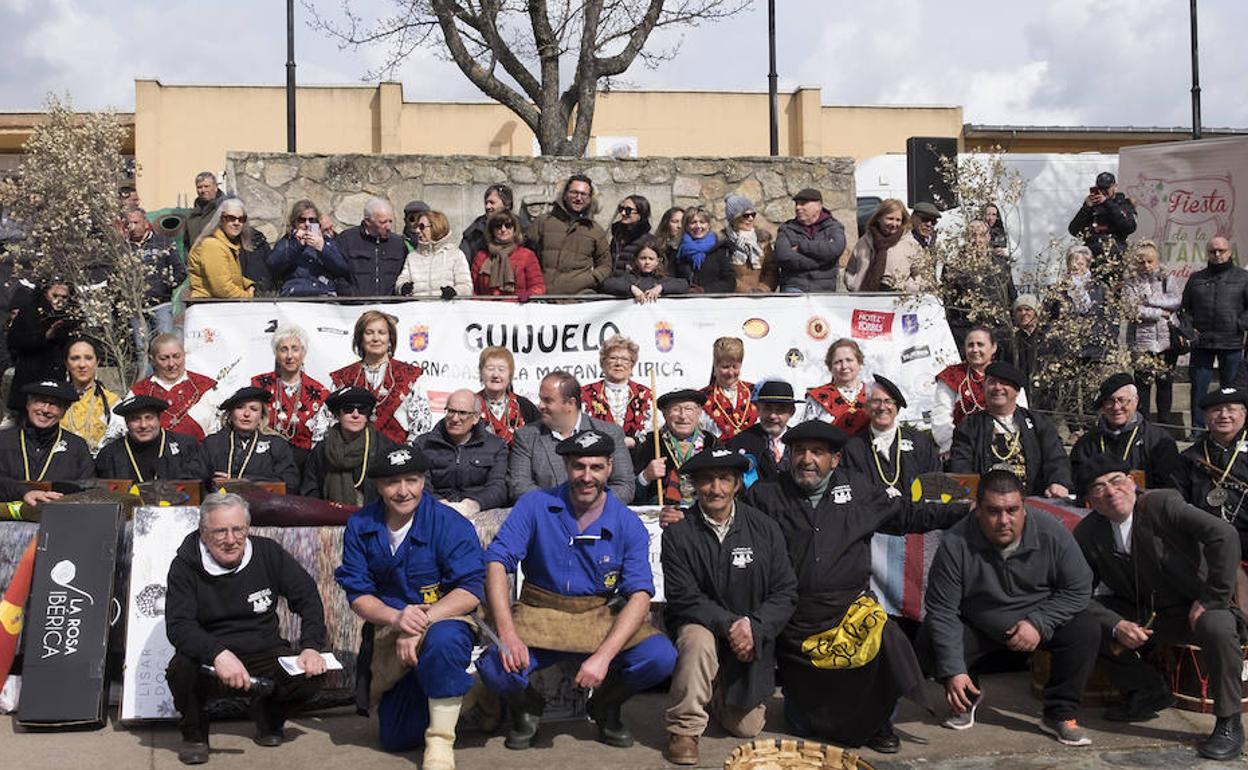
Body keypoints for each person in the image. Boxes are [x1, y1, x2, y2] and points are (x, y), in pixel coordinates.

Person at [743, 420, 968, 752]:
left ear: (835, 460)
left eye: (818, 452)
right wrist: (686, 519)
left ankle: (879, 723)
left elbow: (908, 514)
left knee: (889, 638)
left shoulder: (861, 490)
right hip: (794, 619)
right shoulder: (765, 495)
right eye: (800, 451)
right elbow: (732, 524)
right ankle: (817, 716)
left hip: (851, 609)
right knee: (805, 722)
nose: (807, 459)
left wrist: (967, 512)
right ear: (789, 455)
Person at [479, 430, 677, 750]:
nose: (587, 476)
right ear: (566, 466)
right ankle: (527, 708)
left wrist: (603, 657)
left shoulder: (628, 523)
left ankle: (606, 706)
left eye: (596, 467)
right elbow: (498, 562)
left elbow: (640, 594)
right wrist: (508, 634)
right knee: (494, 665)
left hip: (597, 614)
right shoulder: (534, 504)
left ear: (610, 467)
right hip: (538, 612)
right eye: (578, 466)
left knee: (660, 656)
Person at [1075, 458, 1245, 759]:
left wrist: (1212, 597)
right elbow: (1077, 593)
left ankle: (1229, 722)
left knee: (1216, 626)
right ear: (1090, 499)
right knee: (1082, 620)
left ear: (1132, 482)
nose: (1111, 492)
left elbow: (1225, 535)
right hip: (1147, 613)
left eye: (1116, 481)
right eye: (1098, 488)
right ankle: (1147, 690)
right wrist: (1116, 624)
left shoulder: (1163, 503)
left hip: (1198, 605)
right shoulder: (1088, 532)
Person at [920, 470, 1099, 746]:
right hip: (979, 626)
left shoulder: (1052, 531)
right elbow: (943, 610)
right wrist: (953, 669)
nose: (1004, 520)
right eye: (993, 511)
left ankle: (1059, 713)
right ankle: (967, 697)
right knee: (929, 637)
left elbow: (1078, 588)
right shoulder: (955, 543)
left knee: (1085, 627)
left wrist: (1039, 622)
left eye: (1012, 510)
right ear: (977, 509)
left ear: (1024, 507)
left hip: (1036, 623)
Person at [334, 445, 485, 764]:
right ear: (377, 485)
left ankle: (440, 742)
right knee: (395, 737)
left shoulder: (449, 523)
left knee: (444, 642)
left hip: (447, 619)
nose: (404, 491)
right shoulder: (361, 525)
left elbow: (471, 589)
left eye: (412, 480)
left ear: (423, 481)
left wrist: (421, 623)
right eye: (393, 482)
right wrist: (397, 618)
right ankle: (468, 692)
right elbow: (358, 594)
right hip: (390, 628)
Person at [165, 492, 326, 765]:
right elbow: (179, 626)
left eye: (238, 529)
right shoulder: (184, 566)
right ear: (203, 533)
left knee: (313, 671)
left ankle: (268, 715)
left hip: (263, 648)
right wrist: (218, 653)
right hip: (211, 657)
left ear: (248, 528)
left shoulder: (268, 552)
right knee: (181, 669)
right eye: (220, 531)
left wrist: (311, 646)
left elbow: (308, 597)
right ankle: (194, 734)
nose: (231, 540)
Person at [660, 448, 798, 765]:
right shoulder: (679, 533)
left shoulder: (765, 528)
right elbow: (684, 597)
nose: (716, 489)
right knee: (697, 640)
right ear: (695, 485)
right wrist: (732, 625)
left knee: (746, 729)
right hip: (704, 625)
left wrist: (755, 628)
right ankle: (684, 729)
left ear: (737, 484)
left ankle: (716, 688)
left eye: (724, 479)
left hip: (749, 634)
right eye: (707, 480)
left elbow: (785, 590)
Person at [508, 371, 634, 503]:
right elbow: (519, 486)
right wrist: (560, 505)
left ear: (570, 403)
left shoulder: (610, 433)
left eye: (548, 400)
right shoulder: (526, 436)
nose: (540, 406)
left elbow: (624, 487)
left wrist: (589, 504)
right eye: (541, 399)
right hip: (548, 517)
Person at [949, 362, 1071, 498]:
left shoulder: (1038, 423)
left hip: (1033, 500)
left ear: (1017, 390)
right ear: (984, 386)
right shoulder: (969, 426)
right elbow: (960, 465)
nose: (997, 387)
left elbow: (1055, 457)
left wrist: (1058, 482)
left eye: (1004, 383)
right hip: (986, 504)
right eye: (992, 382)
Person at [330, 310, 432, 445]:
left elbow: (421, 426)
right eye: (369, 333)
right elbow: (330, 422)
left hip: (396, 457)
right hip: (351, 458)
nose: (376, 338)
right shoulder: (343, 378)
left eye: (381, 333)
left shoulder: (410, 376)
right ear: (360, 339)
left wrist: (405, 454)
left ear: (390, 339)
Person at [1069, 373, 1181, 493]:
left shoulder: (1158, 440)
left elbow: (1169, 489)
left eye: (1122, 400)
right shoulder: (1087, 442)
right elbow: (1077, 482)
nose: (1116, 407)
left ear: (1136, 401)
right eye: (1110, 401)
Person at [1181, 237, 1248, 431]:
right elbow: (1185, 309)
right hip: (1201, 342)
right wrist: (1188, 329)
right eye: (1213, 251)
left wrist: (1239, 324)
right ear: (1207, 254)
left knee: (1231, 392)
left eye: (1221, 251)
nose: (1217, 255)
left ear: (1229, 252)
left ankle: (1234, 431)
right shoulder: (1196, 278)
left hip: (1231, 342)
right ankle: (1198, 430)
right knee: (1199, 389)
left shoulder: (1243, 277)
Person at [841, 375, 940, 499]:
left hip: (916, 515)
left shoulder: (920, 442)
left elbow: (935, 487)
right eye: (876, 401)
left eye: (888, 401)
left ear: (897, 408)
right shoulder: (852, 448)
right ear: (866, 407)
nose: (882, 407)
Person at [412, 388, 509, 515]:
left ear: (475, 417)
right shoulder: (423, 444)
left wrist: (472, 505)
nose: (455, 418)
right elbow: (419, 484)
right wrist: (440, 504)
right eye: (451, 411)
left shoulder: (496, 446)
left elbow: (498, 488)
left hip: (479, 512)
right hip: (434, 510)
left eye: (462, 413)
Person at [250, 325, 330, 469]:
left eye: (295, 349)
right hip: (264, 462)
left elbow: (320, 441)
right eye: (283, 349)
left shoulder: (319, 392)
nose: (289, 356)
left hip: (305, 465)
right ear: (276, 353)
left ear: (304, 353)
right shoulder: (259, 386)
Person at [301, 387, 396, 506]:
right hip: (329, 517)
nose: (356, 415)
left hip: (374, 517)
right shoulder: (323, 449)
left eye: (362, 410)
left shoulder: (384, 447)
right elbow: (310, 489)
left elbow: (394, 488)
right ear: (337, 414)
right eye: (348, 409)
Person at [1123, 240, 1181, 423]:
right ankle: (1143, 425)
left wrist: (1149, 300)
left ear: (1157, 261)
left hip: (1166, 341)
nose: (1146, 266)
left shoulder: (1166, 278)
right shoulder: (1130, 283)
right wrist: (1159, 313)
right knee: (1142, 386)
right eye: (1141, 262)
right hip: (1141, 342)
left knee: (1165, 385)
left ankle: (1164, 425)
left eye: (1150, 261)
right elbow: (1132, 310)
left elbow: (1176, 301)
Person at [1176, 387, 1248, 535]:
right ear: (1205, 417)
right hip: (1206, 539)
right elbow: (1179, 501)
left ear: (1244, 415)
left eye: (1230, 410)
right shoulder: (1190, 457)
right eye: (1216, 410)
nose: (1224, 415)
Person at [632, 389, 717, 511]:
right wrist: (646, 476)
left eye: (689, 409)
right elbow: (630, 493)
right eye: (675, 409)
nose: (682, 416)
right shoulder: (650, 444)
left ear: (699, 412)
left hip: (705, 513)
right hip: (663, 515)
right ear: (664, 414)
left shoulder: (711, 443)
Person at [201, 387, 300, 491]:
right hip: (219, 504)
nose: (246, 414)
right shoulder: (212, 443)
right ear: (231, 413)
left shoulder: (277, 445)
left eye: (253, 409)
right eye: (240, 407)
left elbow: (290, 482)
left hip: (263, 504)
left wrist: (245, 482)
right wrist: (210, 481)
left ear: (261, 415)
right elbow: (196, 480)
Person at [527, 174, 611, 295]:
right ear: (565, 195)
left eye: (583, 194)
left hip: (579, 300)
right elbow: (527, 255)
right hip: (544, 299)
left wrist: (591, 279)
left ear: (589, 199)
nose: (578, 198)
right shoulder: (543, 222)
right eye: (574, 192)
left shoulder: (595, 230)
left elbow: (606, 265)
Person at [95, 395, 209, 482]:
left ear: (159, 420)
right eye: (135, 419)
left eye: (149, 418)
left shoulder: (187, 447)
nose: (143, 425)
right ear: (127, 423)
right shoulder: (109, 455)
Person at [128, 334, 219, 442]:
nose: (171, 364)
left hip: (200, 455)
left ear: (184, 355)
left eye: (176, 356)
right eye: (164, 358)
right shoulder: (139, 391)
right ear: (152, 360)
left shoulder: (205, 386)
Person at [0, 381, 93, 483]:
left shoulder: (76, 447)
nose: (45, 409)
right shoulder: (4, 440)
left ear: (64, 411)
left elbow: (87, 488)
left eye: (54, 404)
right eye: (40, 401)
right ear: (28, 405)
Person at [6, 278, 75, 412]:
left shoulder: (70, 316)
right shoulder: (30, 312)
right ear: (45, 293)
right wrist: (45, 337)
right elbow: (14, 342)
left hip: (57, 381)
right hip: (31, 378)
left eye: (64, 297)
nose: (59, 300)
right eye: (55, 296)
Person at [933, 326, 1004, 456]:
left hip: (1001, 447)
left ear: (993, 347)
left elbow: (1017, 412)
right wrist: (956, 445)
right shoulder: (952, 376)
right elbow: (941, 417)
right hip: (961, 449)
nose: (975, 349)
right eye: (970, 345)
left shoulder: (1006, 375)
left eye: (980, 344)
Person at [265, 199, 350, 297]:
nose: (307, 224)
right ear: (294, 222)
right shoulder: (287, 241)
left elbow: (343, 269)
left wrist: (322, 249)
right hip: (296, 295)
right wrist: (296, 245)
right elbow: (272, 266)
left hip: (324, 294)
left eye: (311, 220)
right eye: (302, 220)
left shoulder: (326, 242)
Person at [580, 335, 651, 449]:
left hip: (636, 459)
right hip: (597, 457)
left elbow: (653, 434)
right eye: (613, 358)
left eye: (625, 359)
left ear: (632, 364)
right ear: (603, 363)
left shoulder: (645, 394)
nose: (619, 363)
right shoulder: (585, 394)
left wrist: (634, 442)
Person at [725, 380, 800, 488]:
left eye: (780, 410)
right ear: (758, 409)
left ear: (792, 412)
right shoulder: (738, 443)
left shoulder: (801, 442)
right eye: (767, 408)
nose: (772, 416)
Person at [841, 199, 922, 292]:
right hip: (865, 299)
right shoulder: (865, 241)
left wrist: (906, 287)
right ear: (879, 218)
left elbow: (921, 275)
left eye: (898, 220)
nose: (894, 224)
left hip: (897, 300)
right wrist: (854, 285)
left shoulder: (909, 244)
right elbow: (851, 270)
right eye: (890, 218)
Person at [774, 189, 846, 292]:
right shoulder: (786, 229)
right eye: (796, 204)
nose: (798, 207)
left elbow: (835, 249)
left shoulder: (834, 227)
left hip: (824, 290)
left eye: (803, 203)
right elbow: (783, 256)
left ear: (818, 206)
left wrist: (801, 247)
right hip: (794, 287)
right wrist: (822, 261)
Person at [61, 338, 124, 456]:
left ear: (97, 362)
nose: (82, 364)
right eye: (75, 358)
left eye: (88, 358)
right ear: (66, 363)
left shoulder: (112, 402)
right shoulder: (56, 400)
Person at [125, 207, 185, 329]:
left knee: (164, 343)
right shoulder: (123, 248)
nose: (132, 227)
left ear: (146, 223)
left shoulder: (163, 243)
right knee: (141, 346)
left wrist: (165, 286)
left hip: (161, 305)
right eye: (129, 223)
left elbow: (180, 271)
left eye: (136, 223)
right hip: (136, 308)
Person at [187, 197, 256, 298]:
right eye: (231, 218)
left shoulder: (227, 244)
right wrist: (247, 296)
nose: (236, 223)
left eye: (241, 219)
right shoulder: (212, 246)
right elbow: (223, 289)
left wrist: (248, 284)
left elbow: (229, 275)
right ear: (220, 219)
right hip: (208, 306)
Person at [395, 210, 473, 298]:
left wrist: (454, 292)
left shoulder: (455, 255)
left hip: (446, 309)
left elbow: (466, 286)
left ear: (435, 227)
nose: (417, 231)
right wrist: (402, 287)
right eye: (416, 227)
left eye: (421, 227)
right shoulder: (412, 257)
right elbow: (401, 280)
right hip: (418, 309)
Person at [338, 197, 407, 296]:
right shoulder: (347, 240)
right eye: (383, 222)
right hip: (355, 306)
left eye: (390, 221)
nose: (388, 227)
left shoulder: (398, 244)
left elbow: (403, 274)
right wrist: (350, 296)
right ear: (368, 221)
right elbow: (338, 273)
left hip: (389, 307)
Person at [470, 210, 545, 299]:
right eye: (498, 226)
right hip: (487, 309)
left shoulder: (527, 255)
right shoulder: (481, 257)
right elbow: (472, 289)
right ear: (492, 230)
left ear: (514, 229)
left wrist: (528, 296)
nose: (503, 229)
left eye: (508, 225)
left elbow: (538, 286)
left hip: (518, 308)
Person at [802, 338, 870, 437]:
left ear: (859, 362)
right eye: (838, 362)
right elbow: (806, 434)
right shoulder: (817, 398)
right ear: (830, 367)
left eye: (849, 360)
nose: (844, 366)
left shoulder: (872, 394)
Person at [1066, 171, 1137, 262]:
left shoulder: (1123, 204)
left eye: (1106, 188)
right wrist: (1086, 208)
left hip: (1115, 253)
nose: (1103, 192)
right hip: (1091, 255)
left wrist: (1107, 203)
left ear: (1115, 186)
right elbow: (1073, 230)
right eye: (1100, 188)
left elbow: (1129, 227)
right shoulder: (1091, 206)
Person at [475, 346, 539, 446]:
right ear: (481, 372)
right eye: (490, 369)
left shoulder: (524, 406)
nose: (495, 375)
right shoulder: (469, 404)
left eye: (501, 369)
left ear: (510, 375)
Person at [714, 194, 777, 294]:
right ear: (734, 218)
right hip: (733, 297)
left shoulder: (762, 241)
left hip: (761, 298)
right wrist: (746, 290)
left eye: (753, 215)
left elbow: (771, 271)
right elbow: (723, 273)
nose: (751, 218)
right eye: (746, 215)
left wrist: (762, 289)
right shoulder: (722, 243)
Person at [601, 234, 689, 303]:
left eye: (651, 259)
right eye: (643, 258)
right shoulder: (629, 278)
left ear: (657, 261)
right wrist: (631, 288)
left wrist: (661, 288)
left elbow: (684, 285)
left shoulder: (661, 279)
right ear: (636, 260)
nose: (647, 262)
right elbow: (607, 284)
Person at [700, 337, 756, 441]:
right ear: (715, 366)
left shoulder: (754, 392)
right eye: (725, 367)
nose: (730, 373)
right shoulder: (703, 397)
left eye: (735, 367)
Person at [674, 206, 733, 294]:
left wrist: (704, 290)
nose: (698, 226)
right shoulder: (679, 251)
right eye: (693, 222)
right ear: (686, 226)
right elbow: (672, 277)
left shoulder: (720, 250)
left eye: (702, 222)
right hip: (684, 303)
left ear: (708, 225)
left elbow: (730, 282)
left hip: (712, 303)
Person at [460, 184, 513, 263]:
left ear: (507, 204)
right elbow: (464, 262)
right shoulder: (475, 232)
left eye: (492, 202)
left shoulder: (520, 228)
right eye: (486, 203)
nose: (487, 207)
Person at [1008, 295, 1044, 397]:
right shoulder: (1010, 340)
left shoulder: (1047, 337)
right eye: (1019, 310)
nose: (1023, 313)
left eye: (1028, 309)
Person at [609, 195, 652, 274]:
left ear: (640, 214)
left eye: (628, 210)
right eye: (621, 209)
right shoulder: (617, 236)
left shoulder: (649, 241)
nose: (623, 213)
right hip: (612, 283)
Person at [183, 171, 225, 251]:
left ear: (215, 187)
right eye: (199, 187)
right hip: (195, 262)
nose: (203, 190)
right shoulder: (192, 216)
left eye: (206, 186)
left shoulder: (225, 209)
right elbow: (186, 243)